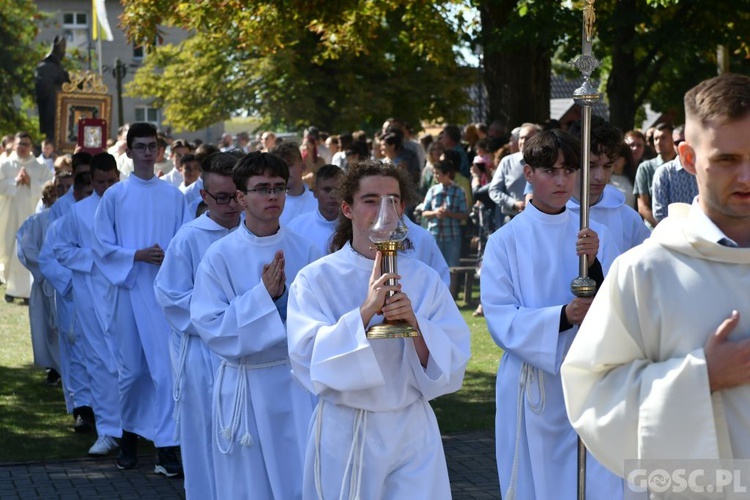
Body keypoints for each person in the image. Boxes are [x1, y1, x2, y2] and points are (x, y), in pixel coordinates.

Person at [561, 73, 750, 483]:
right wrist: (703, 377)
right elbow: (592, 398)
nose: (746, 178)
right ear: (687, 158)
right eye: (726, 160)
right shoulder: (645, 271)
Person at [286, 159, 469, 499]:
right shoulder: (315, 279)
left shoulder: (424, 279)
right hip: (347, 428)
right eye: (370, 200)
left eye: (392, 200)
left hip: (412, 429)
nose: (383, 210)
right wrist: (366, 310)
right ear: (348, 208)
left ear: (402, 208)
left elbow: (453, 358)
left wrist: (415, 324)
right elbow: (306, 357)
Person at [480, 129, 620, 499]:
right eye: (550, 171)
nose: (562, 181)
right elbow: (500, 318)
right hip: (535, 385)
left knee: (592, 482)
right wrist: (563, 316)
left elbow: (622, 303)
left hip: (590, 378)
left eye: (570, 170)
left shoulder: (595, 233)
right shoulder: (504, 242)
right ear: (528, 174)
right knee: (537, 482)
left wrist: (595, 264)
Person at [190, 151, 319, 499]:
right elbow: (210, 325)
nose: (273, 196)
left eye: (279, 187)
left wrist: (279, 301)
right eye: (262, 189)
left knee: (299, 476)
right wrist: (263, 296)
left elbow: (323, 319)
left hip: (295, 384)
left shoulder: (306, 250)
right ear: (241, 197)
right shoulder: (219, 255)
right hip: (245, 385)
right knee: (249, 485)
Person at [93, 122, 190, 475]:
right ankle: (129, 435)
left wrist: (172, 259)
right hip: (129, 291)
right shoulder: (116, 196)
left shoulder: (173, 196)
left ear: (159, 151)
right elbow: (101, 244)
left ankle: (166, 449)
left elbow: (184, 242)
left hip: (163, 295)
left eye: (152, 146)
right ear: (130, 151)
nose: (148, 152)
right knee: (132, 372)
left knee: (164, 373)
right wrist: (136, 255)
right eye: (141, 146)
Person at [154, 152, 242, 500]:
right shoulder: (190, 238)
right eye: (221, 197)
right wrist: (225, 317)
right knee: (206, 440)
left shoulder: (263, 233)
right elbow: (171, 297)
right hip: (204, 356)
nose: (232, 205)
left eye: (237, 196)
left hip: (251, 353)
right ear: (204, 196)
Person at [54, 155, 122, 456]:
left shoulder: (128, 205)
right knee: (97, 361)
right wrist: (94, 259)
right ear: (91, 181)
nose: (106, 187)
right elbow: (60, 249)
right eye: (100, 182)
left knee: (131, 361)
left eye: (111, 181)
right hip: (91, 293)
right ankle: (108, 429)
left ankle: (136, 426)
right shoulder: (79, 212)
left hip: (126, 293)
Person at [566, 117, 650, 254]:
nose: (600, 176)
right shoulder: (552, 214)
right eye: (591, 165)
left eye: (607, 166)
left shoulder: (628, 218)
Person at [0, 132, 53, 303]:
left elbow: (49, 186)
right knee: (9, 250)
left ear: (31, 146)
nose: (22, 147)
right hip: (10, 215)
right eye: (19, 143)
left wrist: (31, 182)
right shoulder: (5, 164)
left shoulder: (39, 166)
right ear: (14, 145)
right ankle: (11, 288)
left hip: (31, 215)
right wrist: (15, 181)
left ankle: (27, 291)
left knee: (28, 250)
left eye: (25, 144)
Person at [16, 182, 60, 384]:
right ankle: (54, 366)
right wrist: (44, 269)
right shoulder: (39, 220)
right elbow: (25, 247)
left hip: (69, 281)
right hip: (47, 281)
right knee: (51, 326)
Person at [421, 160, 469, 267]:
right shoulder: (432, 190)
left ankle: (453, 285)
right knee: (433, 267)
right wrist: (435, 212)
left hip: (452, 236)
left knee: (452, 267)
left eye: (438, 173)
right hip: (434, 235)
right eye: (434, 173)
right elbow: (424, 212)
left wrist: (449, 214)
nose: (435, 176)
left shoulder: (459, 191)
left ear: (447, 174)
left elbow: (464, 214)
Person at [287, 164, 344, 255]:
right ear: (315, 192)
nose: (333, 195)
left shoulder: (355, 228)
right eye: (327, 190)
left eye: (338, 190)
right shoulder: (296, 227)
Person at [633, 122, 677, 228]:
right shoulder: (645, 168)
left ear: (673, 140)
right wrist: (662, 228)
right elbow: (642, 206)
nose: (658, 142)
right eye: (656, 138)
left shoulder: (684, 167)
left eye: (663, 138)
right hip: (654, 231)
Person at [270, 141, 318, 225]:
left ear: (302, 167)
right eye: (279, 167)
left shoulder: (317, 201)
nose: (284, 171)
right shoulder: (270, 203)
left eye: (289, 165)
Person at [651, 153, 699, 222]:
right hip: (674, 229)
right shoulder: (665, 172)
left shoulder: (703, 170)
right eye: (677, 143)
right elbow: (659, 212)